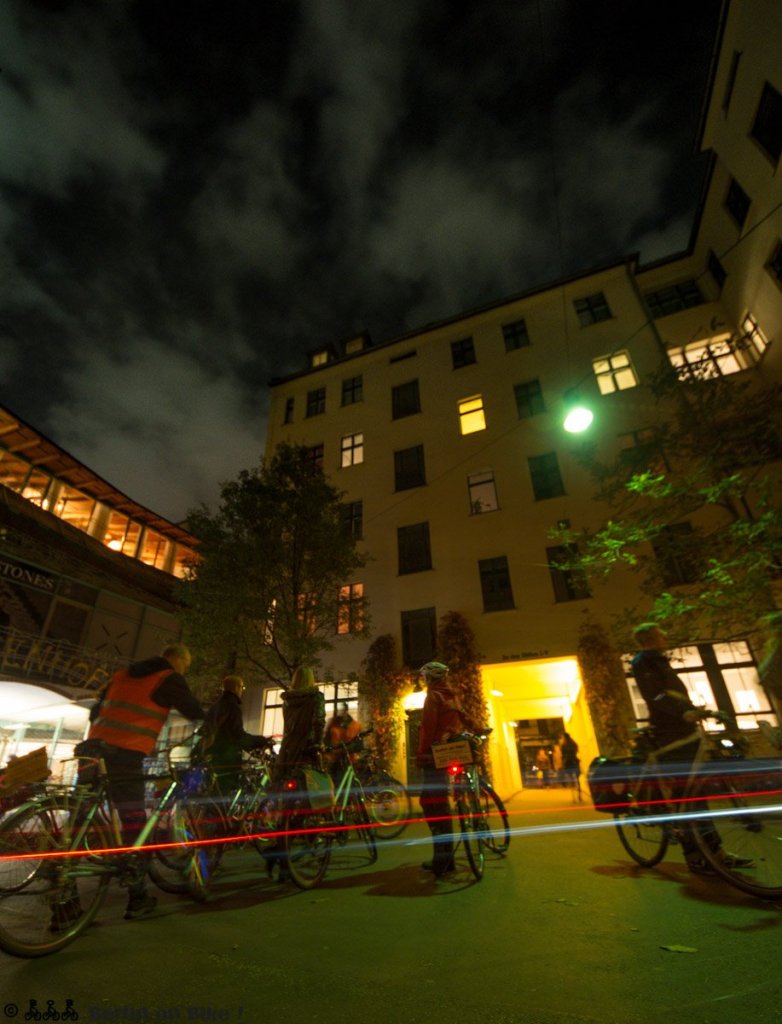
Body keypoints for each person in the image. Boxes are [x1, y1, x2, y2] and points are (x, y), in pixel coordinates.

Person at [76, 642, 205, 921]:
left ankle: (65, 903)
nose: (184, 670)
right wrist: (211, 719)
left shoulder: (122, 675)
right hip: (123, 755)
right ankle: (137, 897)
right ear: (177, 660)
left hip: (91, 750)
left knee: (80, 819)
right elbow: (193, 709)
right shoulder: (168, 677)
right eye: (186, 665)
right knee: (134, 822)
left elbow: (96, 712)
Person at [631, 623, 749, 875]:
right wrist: (682, 712)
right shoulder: (644, 662)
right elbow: (656, 695)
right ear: (649, 638)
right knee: (686, 795)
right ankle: (696, 856)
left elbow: (674, 695)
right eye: (660, 634)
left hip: (682, 730)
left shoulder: (659, 661)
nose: (665, 636)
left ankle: (715, 853)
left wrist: (698, 710)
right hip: (669, 732)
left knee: (696, 793)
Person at [416, 661, 468, 878]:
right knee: (439, 803)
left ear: (430, 678)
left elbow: (428, 728)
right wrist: (478, 728)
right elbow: (464, 717)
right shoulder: (453, 695)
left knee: (433, 804)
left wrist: (421, 754)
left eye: (424, 677)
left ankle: (442, 860)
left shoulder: (433, 696)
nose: (423, 681)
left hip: (435, 754)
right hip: (453, 749)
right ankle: (447, 859)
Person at [199, 675, 272, 794]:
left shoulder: (216, 706)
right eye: (242, 687)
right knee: (227, 790)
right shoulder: (232, 706)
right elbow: (237, 734)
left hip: (213, 754)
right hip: (227, 756)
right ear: (236, 687)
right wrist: (261, 740)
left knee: (215, 790)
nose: (242, 690)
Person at [324, 702, 362, 780]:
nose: (341, 712)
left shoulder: (355, 725)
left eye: (343, 710)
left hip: (349, 761)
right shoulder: (332, 723)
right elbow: (326, 740)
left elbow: (359, 745)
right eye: (340, 710)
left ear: (347, 710)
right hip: (335, 761)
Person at [560, 732, 581, 799]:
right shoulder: (573, 743)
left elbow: (563, 755)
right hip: (574, 760)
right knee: (577, 779)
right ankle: (579, 794)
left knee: (571, 778)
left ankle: (573, 795)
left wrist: (563, 762)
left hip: (568, 762)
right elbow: (577, 750)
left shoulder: (564, 745)